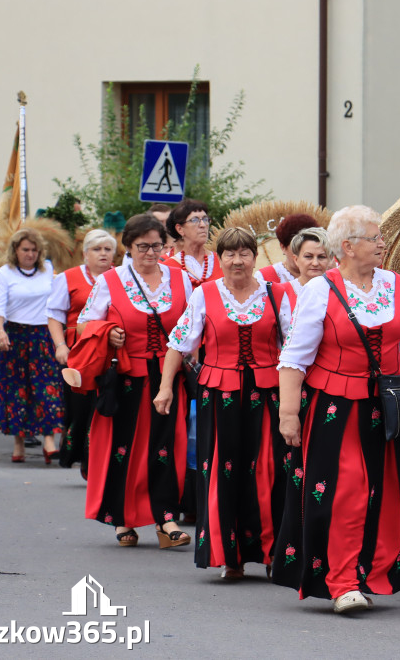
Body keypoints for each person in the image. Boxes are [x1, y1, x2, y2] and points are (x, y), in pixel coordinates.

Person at [271, 205, 400, 614]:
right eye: (375, 237)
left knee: (383, 493)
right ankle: (341, 581)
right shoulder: (320, 289)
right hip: (335, 407)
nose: (382, 243)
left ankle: (371, 572)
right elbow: (294, 358)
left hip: (386, 405)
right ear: (349, 246)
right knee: (346, 490)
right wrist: (289, 414)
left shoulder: (398, 286)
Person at [155, 228, 293, 579]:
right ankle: (230, 557)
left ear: (255, 257)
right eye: (229, 254)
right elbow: (180, 342)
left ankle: (271, 552)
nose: (237, 261)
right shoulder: (204, 295)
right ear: (220, 259)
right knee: (222, 472)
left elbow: (294, 348)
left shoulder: (277, 294)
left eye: (244, 253)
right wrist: (165, 387)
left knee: (269, 472)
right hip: (220, 397)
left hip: (267, 396)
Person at [78, 214, 193, 548]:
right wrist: (107, 332)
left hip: (168, 376)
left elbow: (191, 326)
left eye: (158, 245)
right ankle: (122, 519)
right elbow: (84, 325)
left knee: (166, 447)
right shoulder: (110, 281)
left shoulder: (181, 280)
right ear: (129, 247)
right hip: (127, 376)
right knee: (123, 449)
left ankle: (166, 518)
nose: (152, 253)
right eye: (143, 247)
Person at [46, 229, 116, 477]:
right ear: (85, 254)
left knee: (105, 404)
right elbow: (55, 315)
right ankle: (80, 454)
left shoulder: (121, 278)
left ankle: (96, 459)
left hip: (111, 351)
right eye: (97, 249)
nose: (103, 254)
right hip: (78, 352)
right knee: (80, 406)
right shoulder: (68, 278)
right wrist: (60, 346)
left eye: (108, 249)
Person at [0, 228, 64, 463]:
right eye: (25, 249)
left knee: (47, 387)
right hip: (15, 336)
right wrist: (0, 331)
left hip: (42, 335)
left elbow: (57, 303)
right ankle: (19, 443)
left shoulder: (48, 271)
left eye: (34, 250)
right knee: (16, 390)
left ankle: (49, 440)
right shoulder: (5, 273)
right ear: (15, 250)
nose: (30, 254)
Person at [163, 199, 222, 290]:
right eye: (195, 220)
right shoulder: (168, 267)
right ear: (180, 229)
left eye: (205, 219)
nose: (203, 225)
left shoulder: (222, 262)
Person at [259, 213, 319, 284]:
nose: (304, 252)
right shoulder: (264, 277)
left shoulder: (326, 274)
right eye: (297, 247)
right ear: (283, 247)